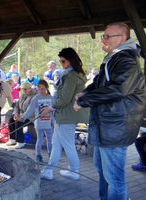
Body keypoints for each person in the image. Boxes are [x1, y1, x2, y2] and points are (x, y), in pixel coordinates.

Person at [73, 22, 145, 199]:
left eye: (107, 36)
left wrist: (84, 100)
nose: (102, 40)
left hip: (116, 126)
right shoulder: (114, 58)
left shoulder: (126, 59)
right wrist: (86, 91)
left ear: (121, 39)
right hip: (107, 125)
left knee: (114, 178)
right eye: (103, 36)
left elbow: (118, 89)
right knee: (102, 170)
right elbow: (101, 83)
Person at [40, 47, 89, 181]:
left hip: (66, 116)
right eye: (60, 61)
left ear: (70, 60)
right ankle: (49, 170)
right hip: (64, 115)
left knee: (67, 144)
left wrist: (50, 108)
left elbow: (65, 99)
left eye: (63, 61)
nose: (61, 64)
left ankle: (74, 170)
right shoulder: (72, 74)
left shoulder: (71, 76)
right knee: (56, 144)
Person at [18, 80, 54, 162]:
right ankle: (38, 155)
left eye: (42, 89)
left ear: (46, 88)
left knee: (50, 140)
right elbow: (30, 110)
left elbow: (54, 111)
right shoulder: (36, 98)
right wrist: (23, 117)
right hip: (39, 123)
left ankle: (51, 154)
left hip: (48, 122)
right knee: (39, 140)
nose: (41, 91)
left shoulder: (50, 97)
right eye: (39, 89)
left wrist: (53, 121)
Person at [5, 82, 37, 149]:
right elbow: (17, 106)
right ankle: (12, 139)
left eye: (25, 89)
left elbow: (32, 110)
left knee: (19, 123)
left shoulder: (35, 96)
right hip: (22, 115)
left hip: (31, 117)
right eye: (23, 89)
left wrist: (22, 116)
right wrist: (16, 113)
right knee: (11, 119)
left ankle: (20, 142)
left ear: (30, 89)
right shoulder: (23, 95)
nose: (24, 91)